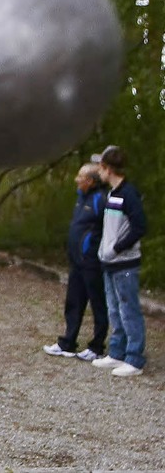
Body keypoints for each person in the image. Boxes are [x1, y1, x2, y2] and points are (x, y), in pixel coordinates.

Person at [90, 145, 147, 377]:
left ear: (107, 168)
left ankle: (134, 358)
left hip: (124, 264)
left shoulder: (129, 193)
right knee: (114, 309)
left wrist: (117, 248)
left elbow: (139, 226)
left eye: (100, 167)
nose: (97, 172)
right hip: (109, 263)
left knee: (128, 309)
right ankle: (117, 351)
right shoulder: (112, 194)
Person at [43, 162, 108, 361]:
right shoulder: (82, 198)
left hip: (92, 261)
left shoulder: (101, 199)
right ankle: (68, 343)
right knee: (73, 303)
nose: (76, 180)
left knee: (98, 304)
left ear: (90, 180)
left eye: (80, 176)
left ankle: (97, 347)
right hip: (76, 261)